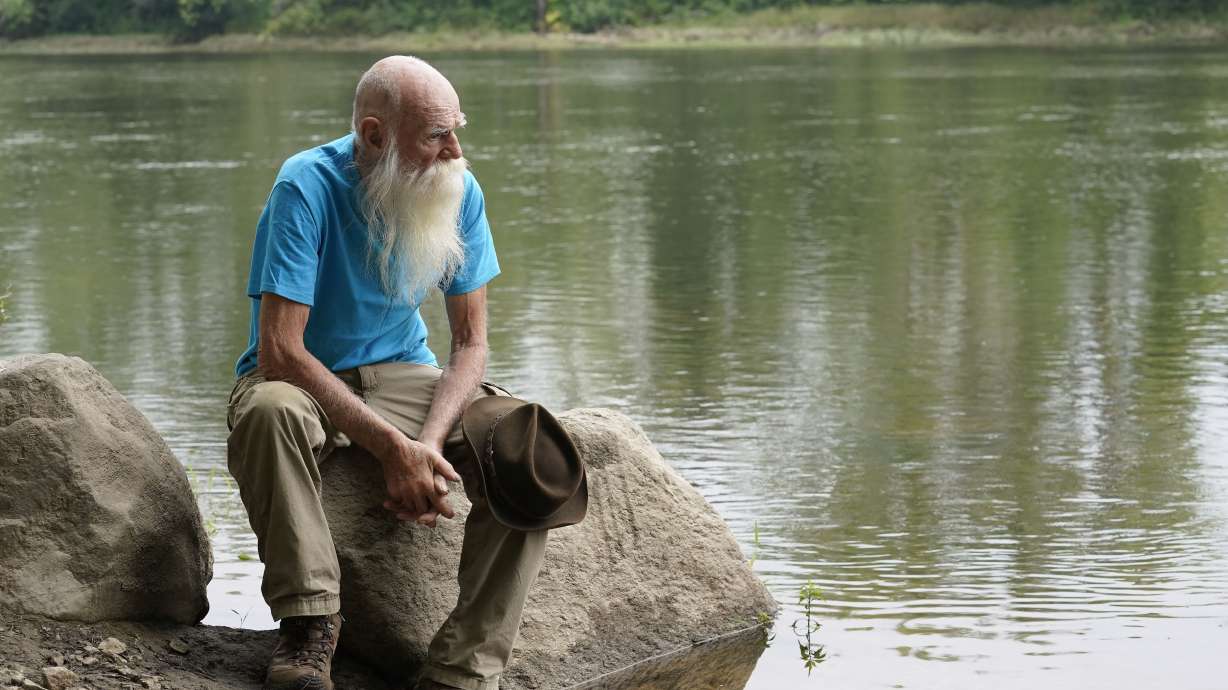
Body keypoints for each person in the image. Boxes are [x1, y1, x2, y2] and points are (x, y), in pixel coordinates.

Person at [226, 55, 545, 690]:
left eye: (456, 128)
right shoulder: (304, 186)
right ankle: (310, 628)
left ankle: (462, 670)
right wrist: (389, 448)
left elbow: (471, 343)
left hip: (404, 375)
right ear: (374, 135)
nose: (455, 149)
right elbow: (280, 352)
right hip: (303, 378)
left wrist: (424, 445)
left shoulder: (460, 189)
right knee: (268, 412)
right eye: (435, 135)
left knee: (527, 444)